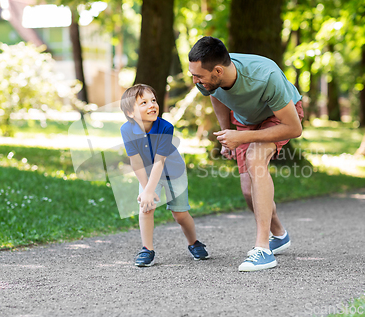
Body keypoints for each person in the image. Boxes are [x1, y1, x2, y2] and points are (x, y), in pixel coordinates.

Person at [188, 36, 304, 272]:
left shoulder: (265, 76)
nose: (195, 81)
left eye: (198, 76)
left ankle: (263, 250)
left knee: (255, 158)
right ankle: (279, 235)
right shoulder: (209, 80)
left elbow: (294, 128)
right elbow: (217, 97)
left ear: (218, 71)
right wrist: (226, 135)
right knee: (248, 191)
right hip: (246, 120)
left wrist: (242, 138)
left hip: (279, 117)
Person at [120, 83, 209, 267]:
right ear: (130, 113)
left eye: (153, 100)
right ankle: (147, 249)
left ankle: (194, 242)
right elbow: (135, 162)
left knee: (180, 215)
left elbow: (160, 162)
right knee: (146, 208)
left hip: (173, 172)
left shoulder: (165, 127)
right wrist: (147, 190)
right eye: (143, 102)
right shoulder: (127, 130)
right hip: (146, 172)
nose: (152, 105)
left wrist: (149, 189)